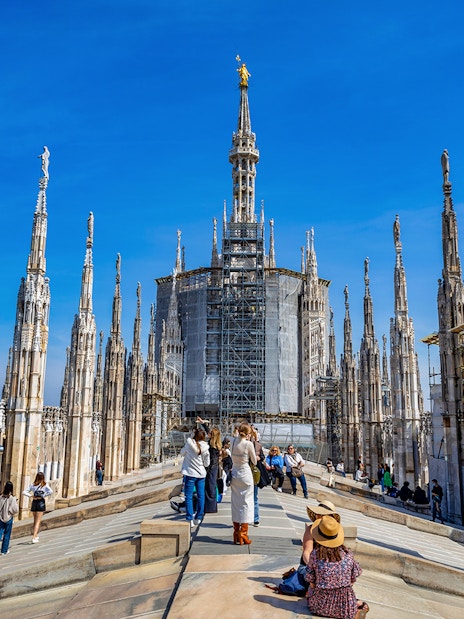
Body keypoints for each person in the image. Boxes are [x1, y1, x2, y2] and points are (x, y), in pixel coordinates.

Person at [305, 516, 369, 619]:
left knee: (310, 591)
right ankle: (355, 606)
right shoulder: (348, 554)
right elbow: (352, 581)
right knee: (348, 594)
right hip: (345, 609)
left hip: (318, 607)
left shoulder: (315, 555)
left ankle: (351, 604)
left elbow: (311, 582)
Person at [230, 422, 257, 545]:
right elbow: (254, 461)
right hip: (245, 474)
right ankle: (243, 534)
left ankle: (236, 533)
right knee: (246, 503)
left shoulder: (233, 441)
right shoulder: (248, 444)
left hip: (235, 474)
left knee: (236, 502)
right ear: (248, 433)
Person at [180, 427, 210, 527]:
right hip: (201, 474)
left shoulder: (189, 444)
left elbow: (182, 453)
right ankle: (199, 517)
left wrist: (188, 442)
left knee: (188, 497)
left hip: (190, 473)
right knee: (201, 496)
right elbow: (207, 463)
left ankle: (190, 519)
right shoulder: (205, 448)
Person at [302, 500, 341, 566]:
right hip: (310, 564)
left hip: (329, 566)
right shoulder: (311, 529)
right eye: (318, 514)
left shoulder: (335, 531)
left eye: (323, 515)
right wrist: (313, 568)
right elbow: (307, 552)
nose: (318, 516)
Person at [23, 472, 53, 543]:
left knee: (35, 520)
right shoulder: (44, 485)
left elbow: (24, 492)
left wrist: (31, 496)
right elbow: (51, 491)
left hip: (34, 502)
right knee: (38, 521)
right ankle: (34, 537)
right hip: (40, 502)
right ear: (43, 478)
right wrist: (44, 495)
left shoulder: (33, 485)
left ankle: (35, 535)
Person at [204, 426, 221, 513]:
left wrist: (207, 468)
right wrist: (203, 424)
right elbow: (209, 431)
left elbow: (213, 460)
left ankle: (210, 507)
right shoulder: (216, 444)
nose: (208, 434)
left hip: (211, 468)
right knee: (210, 487)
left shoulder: (212, 447)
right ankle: (210, 507)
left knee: (210, 487)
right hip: (214, 468)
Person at [0, 481, 19, 555]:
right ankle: (4, 551)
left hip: (0, 518)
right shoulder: (12, 498)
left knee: (0, 532)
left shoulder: (1, 497)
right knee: (7, 535)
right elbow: (15, 510)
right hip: (8, 518)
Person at [251, 427, 265, 526]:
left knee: (254, 497)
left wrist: (259, 457)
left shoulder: (258, 446)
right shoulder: (245, 445)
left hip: (254, 473)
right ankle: (250, 518)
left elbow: (263, 457)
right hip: (248, 472)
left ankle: (256, 518)